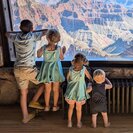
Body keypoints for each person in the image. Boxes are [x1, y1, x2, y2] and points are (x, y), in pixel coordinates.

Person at [5, 19, 47, 123]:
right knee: (45, 83)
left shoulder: (16, 37)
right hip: (29, 69)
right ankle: (33, 101)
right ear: (31, 29)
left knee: (23, 94)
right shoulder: (32, 36)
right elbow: (46, 31)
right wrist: (32, 31)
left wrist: (20, 32)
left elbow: (7, 33)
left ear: (20, 28)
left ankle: (25, 117)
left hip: (18, 69)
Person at [29, 29, 66, 112]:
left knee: (47, 90)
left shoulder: (44, 48)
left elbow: (38, 56)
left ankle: (46, 106)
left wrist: (39, 50)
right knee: (56, 90)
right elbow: (62, 58)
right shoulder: (59, 48)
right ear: (58, 39)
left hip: (46, 70)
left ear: (47, 38)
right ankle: (55, 106)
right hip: (56, 71)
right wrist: (63, 51)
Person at [64, 53, 92, 128]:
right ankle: (78, 123)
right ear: (82, 62)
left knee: (70, 108)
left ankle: (69, 123)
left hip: (71, 91)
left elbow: (67, 79)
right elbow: (89, 77)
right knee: (79, 109)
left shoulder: (70, 69)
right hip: (80, 92)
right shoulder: (83, 69)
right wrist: (91, 83)